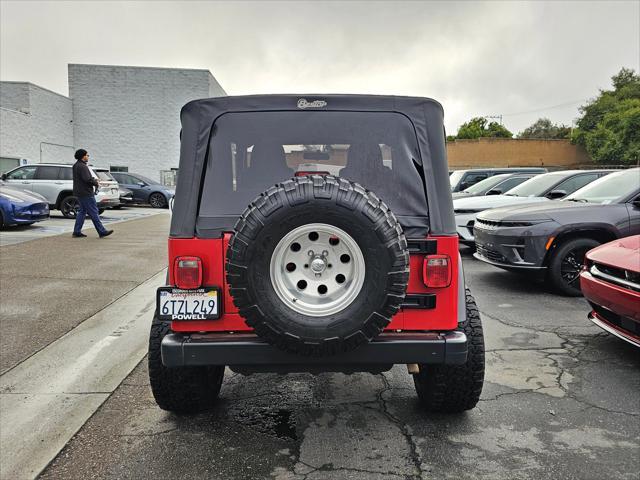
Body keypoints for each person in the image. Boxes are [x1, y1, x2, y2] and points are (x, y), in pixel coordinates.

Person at [71, 149, 113, 238]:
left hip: (79, 192)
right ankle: (101, 231)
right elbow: (87, 179)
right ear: (83, 156)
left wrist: (93, 180)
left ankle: (77, 231)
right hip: (86, 192)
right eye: (87, 155)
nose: (88, 156)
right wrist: (96, 182)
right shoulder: (83, 166)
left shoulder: (76, 165)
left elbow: (82, 179)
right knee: (94, 211)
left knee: (82, 211)